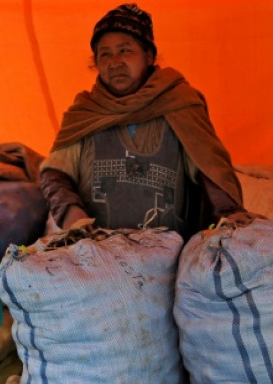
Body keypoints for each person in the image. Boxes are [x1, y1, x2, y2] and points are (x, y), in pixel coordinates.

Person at [40, 3, 252, 238]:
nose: (115, 62)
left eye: (125, 50)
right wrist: (73, 215)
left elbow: (209, 169)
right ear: (96, 63)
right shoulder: (84, 113)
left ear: (149, 56)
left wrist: (229, 212)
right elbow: (55, 175)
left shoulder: (180, 103)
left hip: (168, 251)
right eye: (105, 54)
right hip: (96, 248)